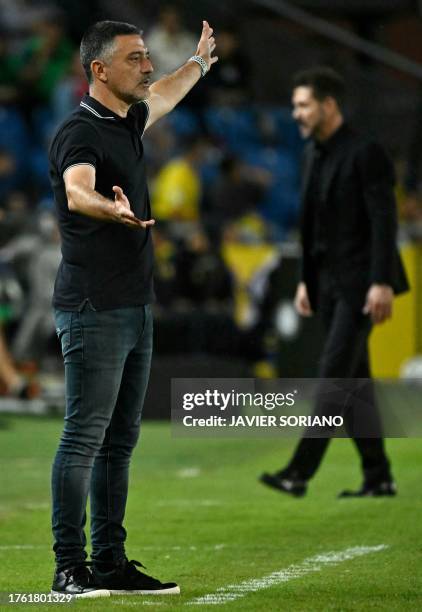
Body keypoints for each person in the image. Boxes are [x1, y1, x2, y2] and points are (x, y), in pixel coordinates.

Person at [48, 19, 217, 598]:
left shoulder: (130, 119)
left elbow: (166, 92)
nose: (148, 67)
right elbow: (77, 187)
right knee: (84, 438)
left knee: (119, 442)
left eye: (146, 57)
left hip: (133, 305)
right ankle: (69, 566)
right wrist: (107, 210)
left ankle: (110, 563)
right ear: (99, 70)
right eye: (136, 59)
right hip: (94, 308)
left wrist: (198, 64)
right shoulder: (81, 131)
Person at [260, 67, 409, 499]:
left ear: (329, 105)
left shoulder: (367, 152)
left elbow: (385, 221)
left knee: (333, 377)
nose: (296, 114)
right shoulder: (314, 154)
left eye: (303, 105)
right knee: (355, 383)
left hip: (362, 285)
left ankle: (298, 473)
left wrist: (381, 282)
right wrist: (307, 280)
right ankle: (378, 475)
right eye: (294, 106)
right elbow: (313, 228)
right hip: (327, 285)